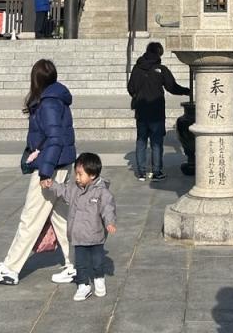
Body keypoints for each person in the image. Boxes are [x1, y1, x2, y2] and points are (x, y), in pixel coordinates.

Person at [0, 59, 77, 286]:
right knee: (60, 218)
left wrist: (45, 172)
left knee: (31, 217)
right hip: (60, 163)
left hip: (51, 165)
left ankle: (11, 268)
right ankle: (75, 263)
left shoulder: (49, 103)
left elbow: (55, 138)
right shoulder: (55, 99)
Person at [44, 152, 117, 302]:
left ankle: (98, 278)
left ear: (92, 175)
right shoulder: (74, 189)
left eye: (80, 174)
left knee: (97, 262)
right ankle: (83, 285)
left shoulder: (102, 192)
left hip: (95, 235)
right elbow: (63, 191)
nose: (77, 177)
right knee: (81, 264)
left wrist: (109, 222)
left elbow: (108, 208)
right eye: (76, 173)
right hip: (78, 235)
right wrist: (52, 184)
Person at [127, 41, 190, 181]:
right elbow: (172, 87)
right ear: (159, 53)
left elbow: (131, 88)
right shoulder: (161, 69)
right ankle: (157, 172)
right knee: (156, 142)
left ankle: (141, 172)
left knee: (141, 141)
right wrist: (187, 91)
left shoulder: (137, 68)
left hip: (141, 111)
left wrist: (139, 95)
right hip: (156, 112)